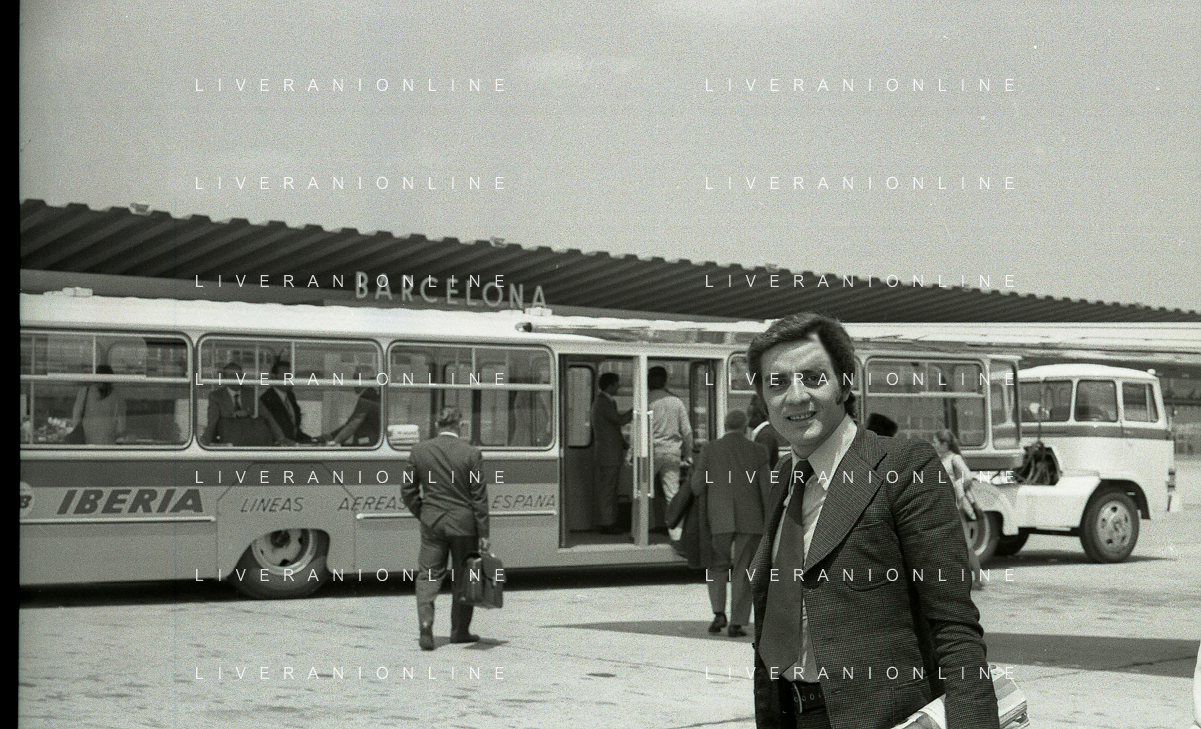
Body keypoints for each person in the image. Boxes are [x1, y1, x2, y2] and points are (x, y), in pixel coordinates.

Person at [747, 313, 998, 729]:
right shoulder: (785, 480)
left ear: (845, 384)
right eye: (778, 382)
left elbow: (954, 628)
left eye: (814, 377)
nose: (796, 396)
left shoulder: (904, 468)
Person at [402, 407, 491, 651]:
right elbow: (479, 497)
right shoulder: (471, 453)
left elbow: (407, 490)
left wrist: (423, 513)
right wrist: (484, 533)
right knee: (465, 577)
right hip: (464, 526)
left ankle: (425, 626)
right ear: (460, 425)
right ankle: (459, 631)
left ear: (437, 425)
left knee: (428, 576)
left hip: (432, 523)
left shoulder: (419, 451)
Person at [689, 409, 771, 638]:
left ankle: (718, 614)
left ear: (725, 426)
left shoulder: (709, 449)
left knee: (716, 566)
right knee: (743, 571)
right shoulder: (758, 450)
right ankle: (737, 623)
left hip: (718, 518)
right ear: (745, 427)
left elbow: (696, 486)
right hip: (751, 519)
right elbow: (766, 489)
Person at [933, 430, 985, 590]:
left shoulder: (954, 458)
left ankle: (978, 579)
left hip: (955, 508)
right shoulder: (939, 459)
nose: (933, 445)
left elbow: (967, 476)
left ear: (944, 444)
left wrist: (956, 486)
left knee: (964, 544)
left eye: (935, 442)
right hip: (942, 507)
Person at [648, 365, 694, 543]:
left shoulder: (645, 400)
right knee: (672, 494)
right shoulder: (677, 402)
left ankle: (641, 530)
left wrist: (631, 454)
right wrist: (688, 455)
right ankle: (676, 534)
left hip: (651, 452)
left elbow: (638, 430)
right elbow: (687, 432)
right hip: (672, 452)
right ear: (665, 381)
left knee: (643, 492)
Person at [591, 372, 633, 534]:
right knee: (608, 490)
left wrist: (624, 444)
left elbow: (613, 427)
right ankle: (607, 523)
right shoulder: (603, 403)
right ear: (610, 385)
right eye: (617, 383)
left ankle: (610, 521)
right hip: (608, 454)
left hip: (610, 453)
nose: (619, 386)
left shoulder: (606, 402)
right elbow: (619, 420)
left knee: (610, 489)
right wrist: (636, 409)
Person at [201, 362, 255, 445]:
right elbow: (212, 422)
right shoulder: (216, 396)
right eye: (232, 376)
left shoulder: (251, 393)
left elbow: (264, 414)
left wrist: (247, 413)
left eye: (239, 375)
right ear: (224, 378)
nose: (236, 378)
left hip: (250, 440)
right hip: (228, 442)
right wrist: (203, 443)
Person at [259, 360, 311, 445]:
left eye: (291, 376)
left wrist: (313, 440)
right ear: (274, 377)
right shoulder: (267, 398)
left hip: (293, 443)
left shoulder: (290, 396)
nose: (290, 379)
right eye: (286, 376)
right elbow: (272, 429)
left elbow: (295, 428)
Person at [70, 364, 126, 444]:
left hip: (86, 442)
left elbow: (76, 416)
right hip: (108, 443)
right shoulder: (117, 396)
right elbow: (121, 428)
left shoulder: (85, 391)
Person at [325, 370, 380, 446]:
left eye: (356, 380)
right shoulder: (371, 395)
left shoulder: (367, 399)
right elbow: (350, 424)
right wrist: (331, 436)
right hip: (369, 441)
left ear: (362, 381)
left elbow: (353, 423)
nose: (354, 385)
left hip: (368, 443)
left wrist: (336, 441)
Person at [748, 393, 788, 469]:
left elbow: (760, 464)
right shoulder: (763, 433)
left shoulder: (766, 436)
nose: (747, 420)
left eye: (750, 416)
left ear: (758, 416)